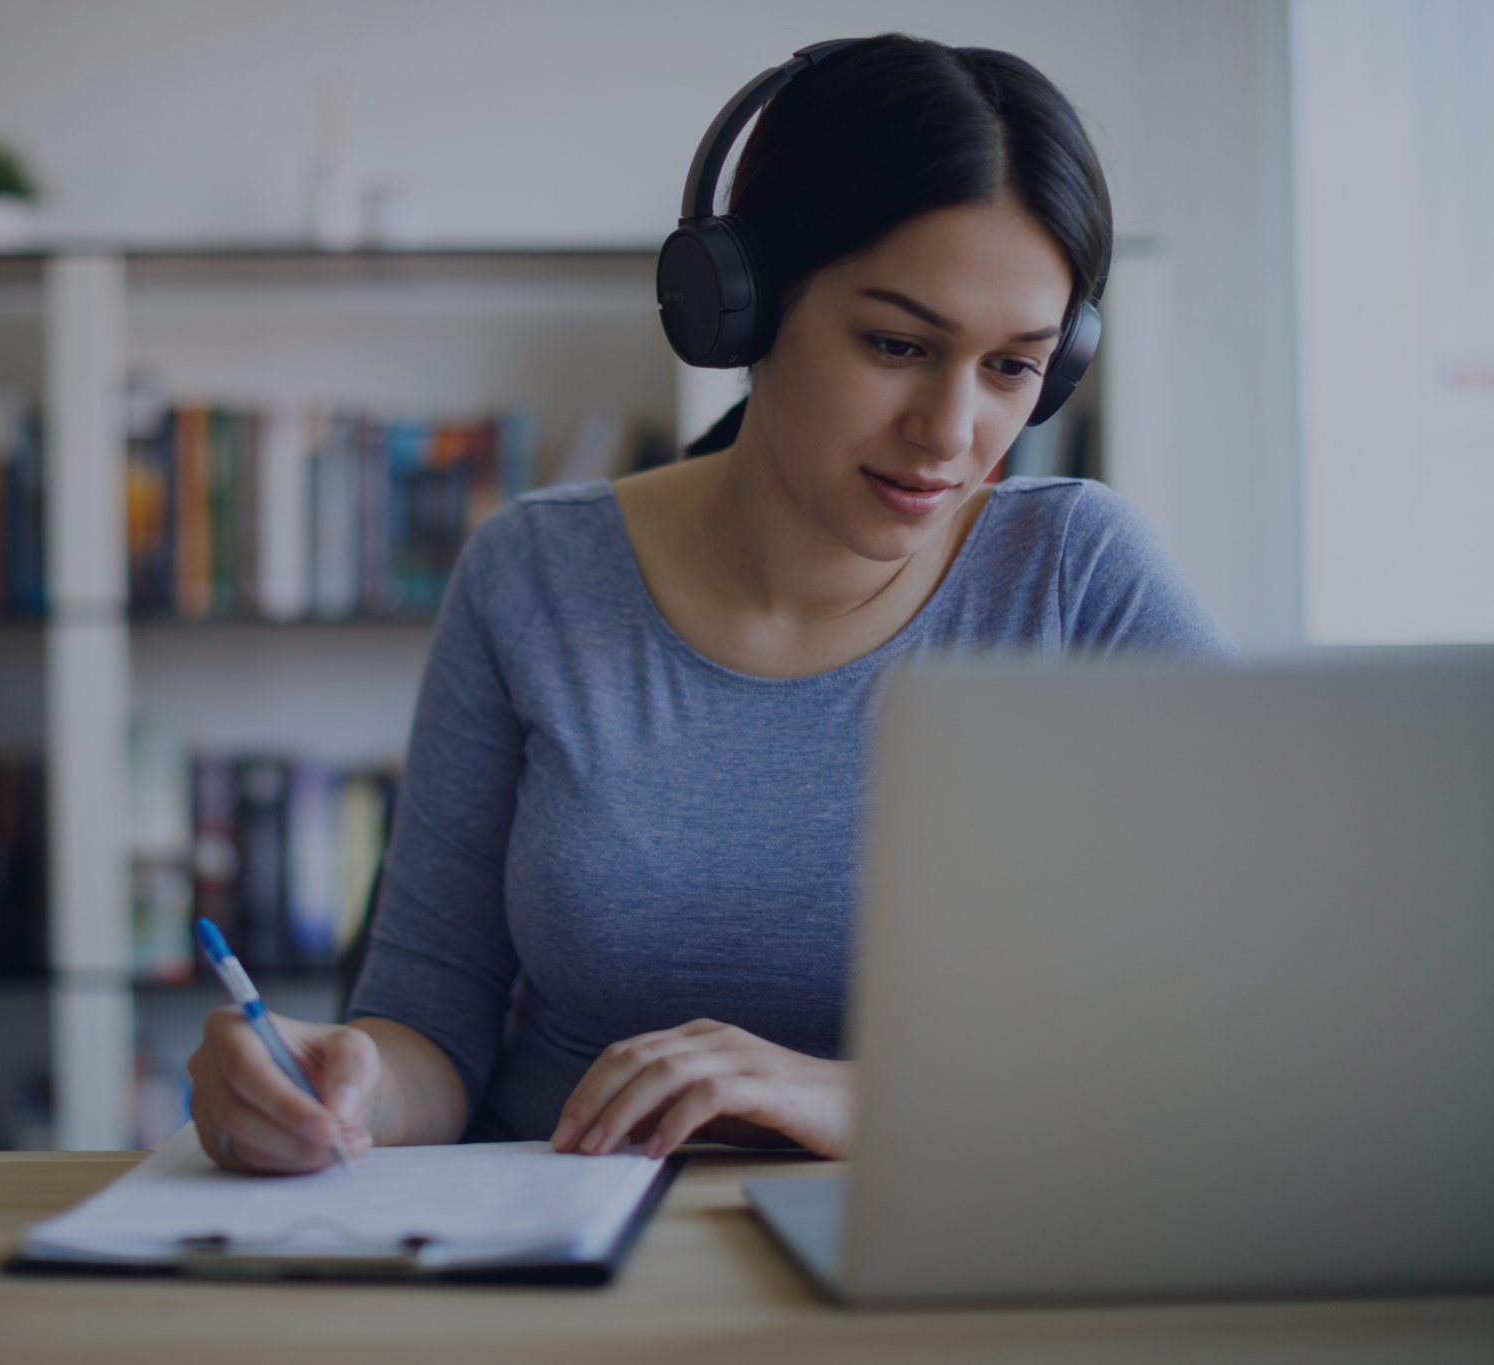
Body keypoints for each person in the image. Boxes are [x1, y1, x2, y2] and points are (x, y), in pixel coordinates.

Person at [187, 33, 1241, 1173]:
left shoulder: (1074, 580)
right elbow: (427, 1026)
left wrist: (857, 1099)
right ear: (738, 304)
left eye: (1010, 368)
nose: (950, 433)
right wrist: (337, 1083)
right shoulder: (530, 575)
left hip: (943, 1259)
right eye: (895, 343)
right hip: (568, 1258)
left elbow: (1266, 1001)